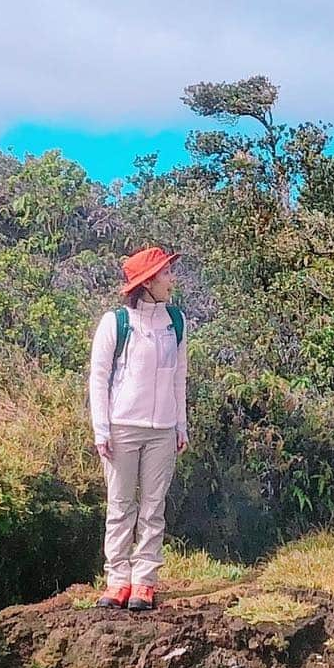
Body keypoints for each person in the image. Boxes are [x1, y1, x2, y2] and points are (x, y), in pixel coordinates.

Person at [88, 246, 189, 612]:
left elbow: (180, 378)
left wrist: (181, 425)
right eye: (164, 274)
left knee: (152, 507)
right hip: (122, 427)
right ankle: (117, 580)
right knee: (120, 506)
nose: (170, 279)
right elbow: (99, 379)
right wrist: (102, 429)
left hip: (162, 429)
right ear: (146, 282)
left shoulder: (175, 322)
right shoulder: (116, 322)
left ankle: (144, 581)